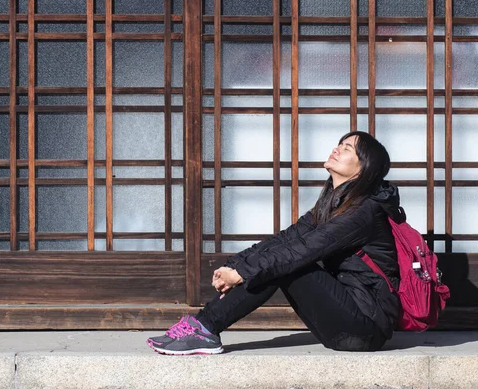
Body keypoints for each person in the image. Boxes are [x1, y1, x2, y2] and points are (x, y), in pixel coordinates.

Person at [147, 131, 403, 355]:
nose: (337, 149)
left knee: (288, 263)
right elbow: (285, 239)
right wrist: (234, 266)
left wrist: (241, 274)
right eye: (340, 144)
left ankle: (205, 328)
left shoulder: (363, 213)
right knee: (279, 257)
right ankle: (202, 326)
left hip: (365, 329)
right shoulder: (332, 204)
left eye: (347, 148)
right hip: (343, 325)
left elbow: (300, 251)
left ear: (364, 168)